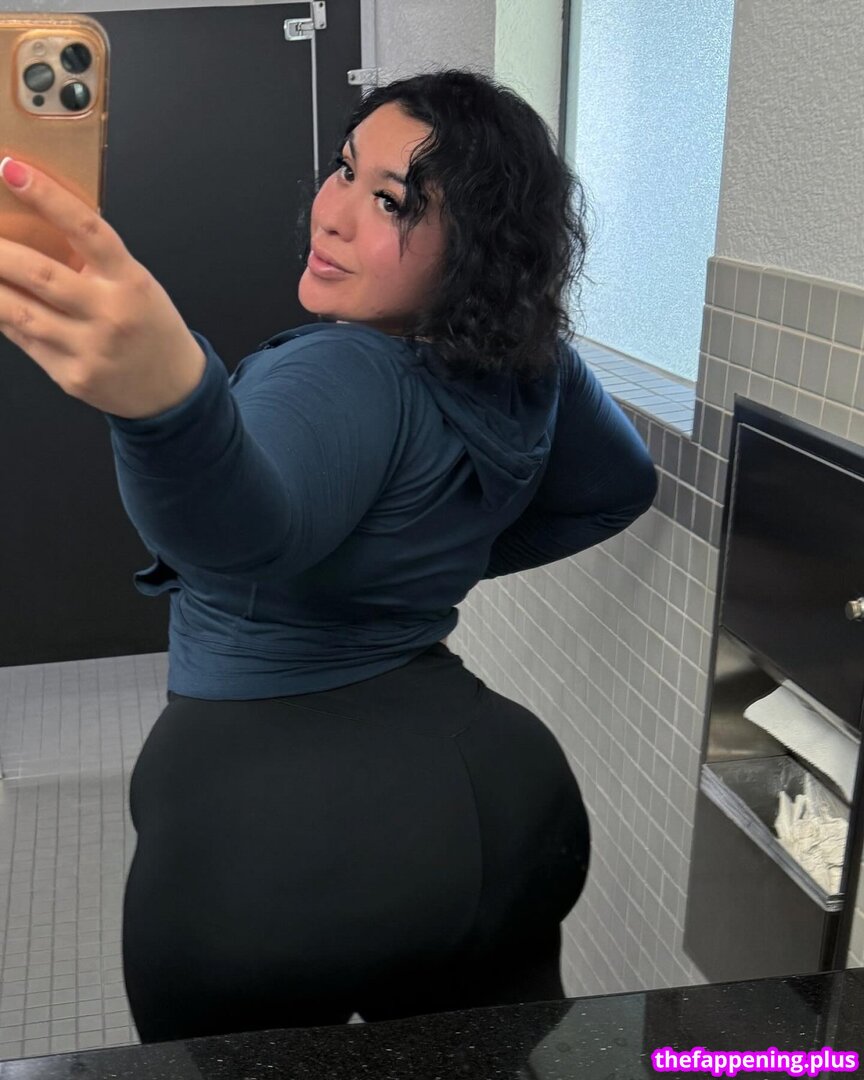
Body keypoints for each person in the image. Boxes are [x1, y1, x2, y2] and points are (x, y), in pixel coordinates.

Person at [0, 69, 656, 1045]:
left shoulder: (338, 366)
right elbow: (619, 487)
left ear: (477, 242)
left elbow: (240, 539)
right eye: (346, 170)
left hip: (275, 850)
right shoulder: (532, 364)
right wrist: (411, 564)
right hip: (507, 802)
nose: (335, 213)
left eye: (392, 202)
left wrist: (168, 404)